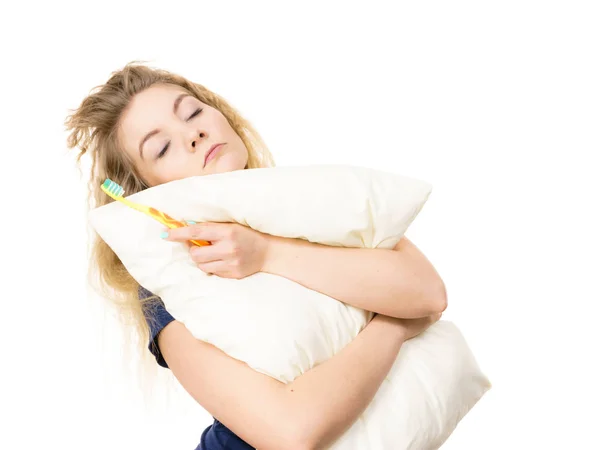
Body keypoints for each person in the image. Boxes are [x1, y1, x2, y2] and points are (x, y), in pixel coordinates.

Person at [65, 62, 447, 450]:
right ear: (147, 190)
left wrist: (267, 253)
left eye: (193, 112)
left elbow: (428, 294)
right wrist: (393, 326)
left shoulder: (307, 202)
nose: (193, 134)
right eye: (162, 148)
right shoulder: (169, 291)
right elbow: (293, 434)